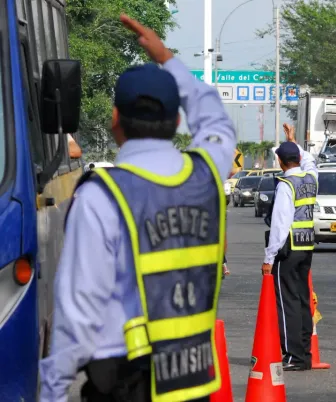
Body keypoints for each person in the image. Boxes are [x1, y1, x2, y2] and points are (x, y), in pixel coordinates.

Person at [39, 14, 235, 402]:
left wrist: (52, 389)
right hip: (193, 381)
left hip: (126, 384)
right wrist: (167, 58)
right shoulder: (207, 175)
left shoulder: (101, 196)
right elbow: (215, 117)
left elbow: (78, 312)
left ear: (115, 120)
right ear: (177, 120)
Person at [262, 123, 318, 372]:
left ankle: (293, 355)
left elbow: (280, 224)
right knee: (303, 299)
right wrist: (294, 141)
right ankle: (304, 353)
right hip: (307, 246)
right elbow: (310, 160)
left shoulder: (286, 184)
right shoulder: (311, 178)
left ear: (280, 161)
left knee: (287, 302)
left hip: (288, 248)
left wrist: (269, 257)